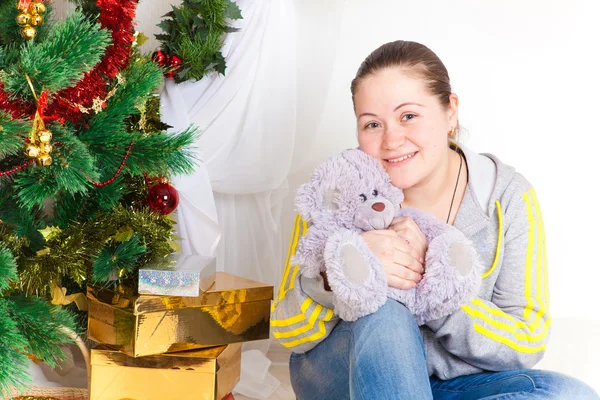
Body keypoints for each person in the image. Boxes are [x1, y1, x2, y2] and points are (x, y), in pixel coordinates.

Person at [271, 40, 599, 399]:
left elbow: (526, 340)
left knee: (569, 393)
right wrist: (341, 272)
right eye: (372, 124)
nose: (392, 139)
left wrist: (430, 284)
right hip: (346, 376)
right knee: (386, 315)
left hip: (458, 384)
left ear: (450, 111)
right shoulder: (336, 190)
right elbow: (287, 329)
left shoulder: (507, 196)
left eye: (408, 116)